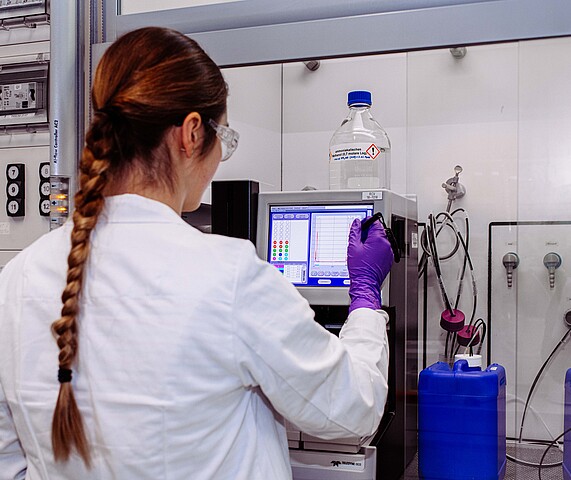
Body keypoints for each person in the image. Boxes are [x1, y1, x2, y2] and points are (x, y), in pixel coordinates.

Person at [0, 26, 393, 479]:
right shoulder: (229, 276)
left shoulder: (17, 278)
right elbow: (353, 408)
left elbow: (10, 462)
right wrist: (364, 299)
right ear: (190, 133)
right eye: (222, 138)